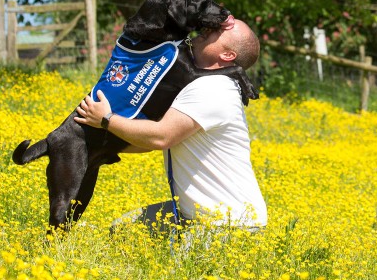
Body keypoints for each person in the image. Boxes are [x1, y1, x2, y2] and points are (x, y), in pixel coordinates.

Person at [74, 17, 267, 233]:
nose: (211, 28)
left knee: (179, 265)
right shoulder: (202, 83)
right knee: (123, 231)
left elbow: (161, 136)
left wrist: (106, 119)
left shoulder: (214, 88)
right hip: (194, 214)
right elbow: (150, 141)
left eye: (219, 31)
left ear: (227, 55)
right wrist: (98, 147)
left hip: (228, 224)